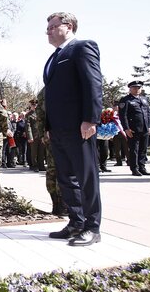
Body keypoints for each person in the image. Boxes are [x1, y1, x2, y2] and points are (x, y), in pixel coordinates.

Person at [43, 12, 103, 246]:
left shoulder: (82, 47)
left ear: (68, 27)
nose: (48, 31)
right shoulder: (53, 57)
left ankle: (92, 227)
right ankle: (75, 222)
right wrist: (49, 127)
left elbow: (93, 83)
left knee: (86, 177)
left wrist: (90, 119)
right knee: (66, 179)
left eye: (52, 26)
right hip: (58, 130)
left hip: (79, 127)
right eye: (47, 28)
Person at [36, 87, 67, 215]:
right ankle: (63, 205)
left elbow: (40, 115)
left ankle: (56, 204)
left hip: (49, 134)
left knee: (52, 169)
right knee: (63, 169)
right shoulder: (60, 88)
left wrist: (42, 134)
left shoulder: (42, 92)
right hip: (63, 133)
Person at [119, 80, 150, 176]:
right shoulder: (125, 100)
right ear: (130, 89)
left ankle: (142, 167)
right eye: (134, 87)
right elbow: (123, 115)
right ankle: (134, 168)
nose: (137, 89)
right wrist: (126, 128)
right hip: (133, 129)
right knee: (134, 149)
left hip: (145, 128)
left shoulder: (144, 99)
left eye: (139, 87)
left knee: (143, 149)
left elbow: (148, 113)